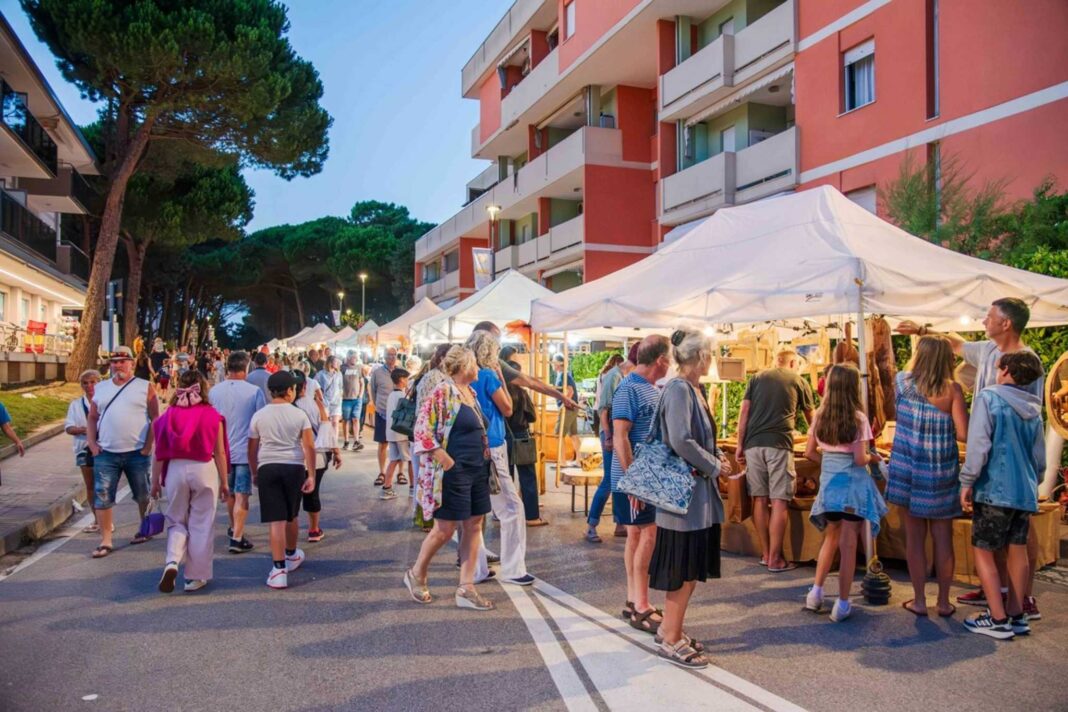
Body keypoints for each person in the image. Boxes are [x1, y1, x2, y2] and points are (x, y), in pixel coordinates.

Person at [897, 297, 1043, 617]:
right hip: (998, 462)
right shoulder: (986, 352)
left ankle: (1019, 600)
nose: (984, 321)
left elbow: (1027, 417)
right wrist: (923, 328)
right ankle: (1002, 596)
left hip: (997, 456)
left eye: (989, 317)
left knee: (1009, 536)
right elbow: (958, 345)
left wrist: (968, 477)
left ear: (1006, 323)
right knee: (1004, 534)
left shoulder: (1025, 363)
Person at [649, 330, 730, 669]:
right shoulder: (681, 388)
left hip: (693, 498)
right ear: (699, 356)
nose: (713, 359)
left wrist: (715, 457)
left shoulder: (689, 388)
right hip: (684, 499)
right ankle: (670, 637)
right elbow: (681, 440)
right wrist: (713, 465)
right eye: (710, 353)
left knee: (688, 567)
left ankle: (671, 629)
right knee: (682, 569)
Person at [960, 351, 1045, 639]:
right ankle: (1016, 614)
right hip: (1025, 490)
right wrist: (1036, 481)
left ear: (1006, 370)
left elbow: (979, 444)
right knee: (1017, 551)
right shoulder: (1034, 407)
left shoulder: (989, 397)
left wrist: (967, 480)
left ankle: (997, 618)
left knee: (983, 551)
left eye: (999, 367)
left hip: (995, 487)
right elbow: (1039, 457)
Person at [405, 346, 495, 610]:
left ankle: (466, 588)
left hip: (477, 469)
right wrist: (445, 459)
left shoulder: (471, 393)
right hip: (454, 471)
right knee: (445, 529)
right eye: (475, 364)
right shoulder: (444, 391)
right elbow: (422, 428)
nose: (479, 368)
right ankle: (416, 573)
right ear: (465, 366)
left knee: (474, 525)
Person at [886, 336, 968, 617]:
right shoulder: (954, 391)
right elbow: (963, 434)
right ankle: (944, 602)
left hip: (908, 469)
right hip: (941, 470)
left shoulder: (902, 382)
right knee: (943, 538)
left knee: (914, 538)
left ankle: (920, 600)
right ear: (947, 360)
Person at [803, 363, 888, 622]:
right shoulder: (859, 418)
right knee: (849, 544)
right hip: (852, 486)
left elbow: (808, 453)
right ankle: (841, 604)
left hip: (829, 484)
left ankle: (815, 594)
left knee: (830, 537)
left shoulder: (819, 415)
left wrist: (828, 464)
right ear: (853, 387)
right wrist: (876, 459)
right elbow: (861, 459)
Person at [151, 370, 230, 593]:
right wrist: (224, 482)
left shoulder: (168, 415)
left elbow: (159, 451)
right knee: (202, 523)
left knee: (176, 520)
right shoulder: (212, 415)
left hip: (176, 468)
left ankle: (172, 561)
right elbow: (220, 453)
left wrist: (155, 481)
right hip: (204, 468)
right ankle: (195, 577)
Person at [613, 334, 672, 633]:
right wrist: (635, 481)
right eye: (670, 359)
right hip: (635, 478)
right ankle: (642, 605)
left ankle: (633, 599)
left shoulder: (648, 388)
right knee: (648, 536)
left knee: (638, 536)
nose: (671, 364)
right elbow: (620, 436)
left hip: (641, 476)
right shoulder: (628, 388)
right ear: (660, 360)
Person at [736, 349, 815, 572]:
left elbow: (744, 413)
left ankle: (765, 553)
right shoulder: (798, 380)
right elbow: (813, 420)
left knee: (759, 499)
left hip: (753, 446)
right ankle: (775, 559)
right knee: (780, 500)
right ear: (792, 362)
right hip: (779, 444)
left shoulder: (757, 378)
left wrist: (741, 444)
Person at [468, 330, 534, 586]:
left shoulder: (462, 375)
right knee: (511, 508)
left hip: (470, 445)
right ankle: (514, 568)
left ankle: (477, 569)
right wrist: (500, 378)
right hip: (493, 444)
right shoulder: (486, 375)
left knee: (476, 511)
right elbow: (507, 408)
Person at [86, 346, 160, 558]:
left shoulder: (145, 386)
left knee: (143, 494)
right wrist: (92, 444)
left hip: (137, 451)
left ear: (132, 362)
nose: (118, 365)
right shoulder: (101, 388)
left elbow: (156, 418)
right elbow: (92, 417)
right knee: (102, 496)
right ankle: (106, 540)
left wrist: (148, 446)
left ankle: (144, 529)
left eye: (123, 361)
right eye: (114, 361)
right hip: (106, 452)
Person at [248, 371, 317, 589]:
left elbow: (252, 448)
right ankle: (291, 554)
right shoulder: (299, 415)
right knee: (291, 516)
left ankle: (278, 570)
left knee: (275, 521)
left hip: (267, 466)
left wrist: (254, 472)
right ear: (289, 391)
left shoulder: (259, 415)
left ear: (270, 391)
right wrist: (311, 474)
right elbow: (309, 447)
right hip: (294, 467)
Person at [208, 351, 267, 554]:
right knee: (242, 495)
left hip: (221, 451)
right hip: (244, 451)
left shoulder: (214, 391)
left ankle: (234, 528)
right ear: (246, 367)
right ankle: (237, 538)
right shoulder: (254, 392)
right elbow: (260, 422)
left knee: (230, 492)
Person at [586, 344, 637, 543]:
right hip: (610, 434)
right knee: (609, 479)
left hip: (615, 434)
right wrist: (607, 435)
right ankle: (591, 524)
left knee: (618, 477)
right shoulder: (614, 376)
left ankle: (620, 523)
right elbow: (603, 409)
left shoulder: (622, 376)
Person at [292, 371, 341, 542]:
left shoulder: (286, 406)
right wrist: (336, 452)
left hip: (293, 456)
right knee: (312, 492)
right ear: (305, 385)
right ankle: (313, 529)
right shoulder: (317, 404)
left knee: (293, 495)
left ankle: (290, 529)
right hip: (317, 456)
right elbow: (327, 432)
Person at [500, 347, 546, 527]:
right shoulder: (521, 392)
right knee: (527, 476)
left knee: (506, 477)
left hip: (504, 435)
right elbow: (532, 416)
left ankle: (504, 514)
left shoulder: (500, 392)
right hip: (521, 436)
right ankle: (532, 516)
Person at [65, 369, 100, 532]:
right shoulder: (76, 405)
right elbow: (69, 427)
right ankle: (97, 519)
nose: (89, 386)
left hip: (104, 448)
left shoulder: (105, 401)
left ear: (99, 382)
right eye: (85, 383)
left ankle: (106, 519)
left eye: (93, 382)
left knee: (105, 485)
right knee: (91, 485)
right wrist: (84, 430)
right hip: (84, 449)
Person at [381, 368, 413, 499]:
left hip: (391, 433)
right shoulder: (401, 396)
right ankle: (413, 488)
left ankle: (387, 488)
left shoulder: (391, 395)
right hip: (402, 434)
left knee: (393, 460)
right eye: (406, 379)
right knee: (410, 460)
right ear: (401, 380)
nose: (407, 381)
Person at [370, 347, 399, 486]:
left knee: (400, 443)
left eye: (394, 355)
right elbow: (373, 391)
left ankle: (400, 473)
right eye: (389, 355)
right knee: (383, 443)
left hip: (399, 414)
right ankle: (382, 472)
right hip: (382, 412)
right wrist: (378, 405)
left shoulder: (401, 371)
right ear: (384, 357)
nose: (392, 357)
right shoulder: (377, 373)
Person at [552, 354, 581, 467]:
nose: (553, 364)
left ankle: (562, 461)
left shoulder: (564, 375)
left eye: (554, 362)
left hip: (568, 408)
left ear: (559, 363)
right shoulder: (564, 375)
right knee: (573, 435)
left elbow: (570, 391)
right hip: (572, 408)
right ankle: (578, 460)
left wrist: (563, 404)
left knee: (559, 434)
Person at [340, 352, 365, 451]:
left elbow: (362, 382)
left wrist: (360, 395)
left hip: (356, 399)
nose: (355, 359)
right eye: (353, 357)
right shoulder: (342, 368)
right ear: (348, 358)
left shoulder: (359, 368)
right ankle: (346, 441)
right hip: (345, 399)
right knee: (346, 420)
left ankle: (356, 441)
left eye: (356, 357)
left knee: (356, 419)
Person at [315, 356, 343, 436]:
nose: (337, 364)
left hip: (336, 402)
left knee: (335, 422)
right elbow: (314, 385)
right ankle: (327, 442)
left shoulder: (338, 374)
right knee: (326, 423)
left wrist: (340, 397)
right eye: (336, 362)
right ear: (330, 362)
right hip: (325, 402)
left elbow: (341, 387)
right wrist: (319, 397)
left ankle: (334, 445)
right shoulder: (321, 374)